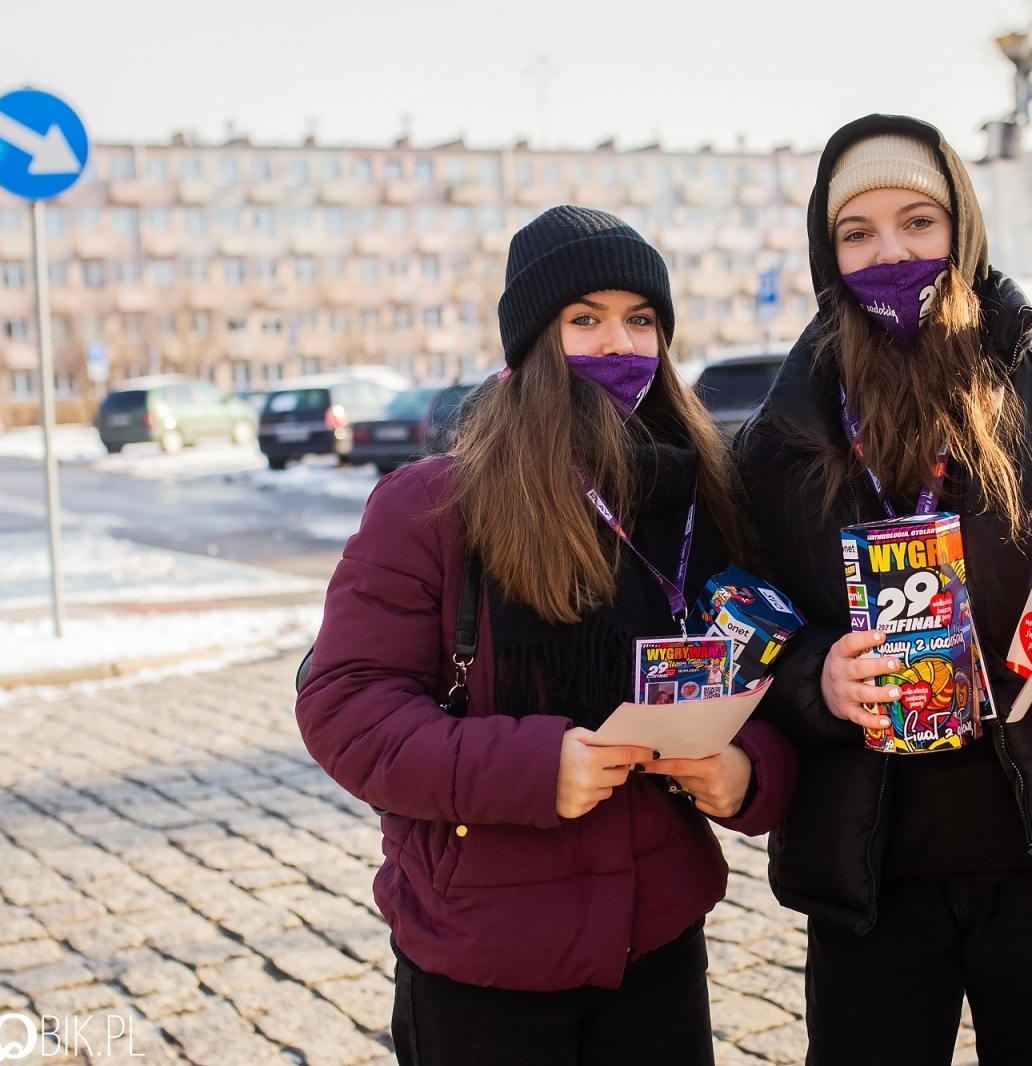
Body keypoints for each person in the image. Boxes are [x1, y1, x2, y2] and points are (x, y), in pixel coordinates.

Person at [735, 115, 1032, 1065]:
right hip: (869, 878)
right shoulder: (779, 439)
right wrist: (814, 679)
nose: (891, 252)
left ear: (965, 229)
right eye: (857, 233)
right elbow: (741, 631)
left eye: (919, 221)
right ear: (828, 257)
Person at [297, 206, 797, 1066]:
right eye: (585, 319)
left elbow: (762, 675)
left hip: (657, 947)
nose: (620, 343)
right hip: (485, 958)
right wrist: (534, 768)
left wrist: (747, 772)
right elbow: (347, 709)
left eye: (641, 319)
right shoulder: (434, 505)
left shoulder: (700, 494)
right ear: (533, 341)